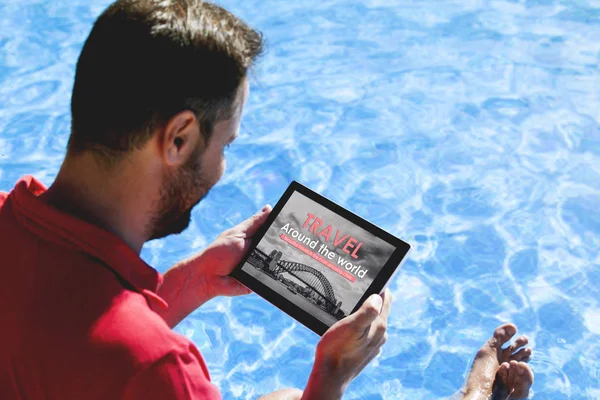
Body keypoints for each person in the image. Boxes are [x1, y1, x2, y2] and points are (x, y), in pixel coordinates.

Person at [0, 0, 533, 399]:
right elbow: (121, 359)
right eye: (225, 144)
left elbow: (77, 345)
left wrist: (193, 280)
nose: (222, 168)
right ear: (179, 138)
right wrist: (330, 377)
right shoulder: (158, 369)